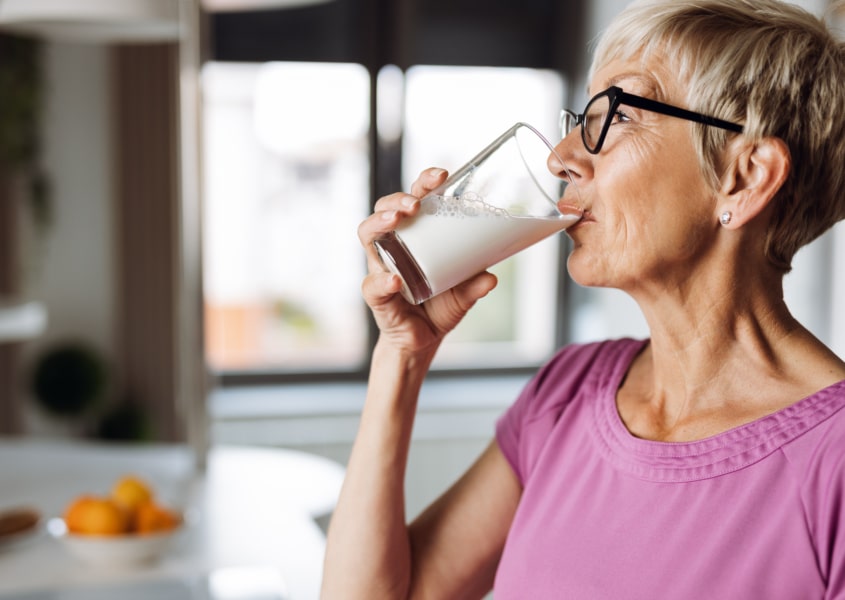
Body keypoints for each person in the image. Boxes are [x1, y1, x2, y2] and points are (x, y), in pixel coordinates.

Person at [321, 0, 845, 597]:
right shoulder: (570, 392)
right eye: (581, 116)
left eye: (617, 115)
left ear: (746, 176)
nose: (561, 157)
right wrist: (401, 354)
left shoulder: (833, 465)